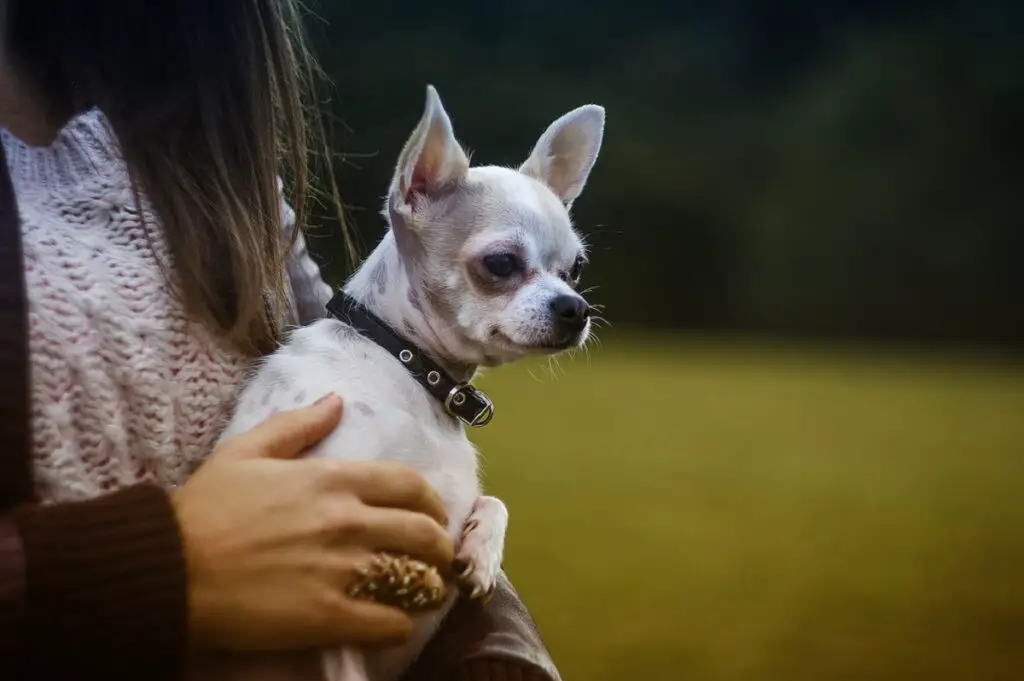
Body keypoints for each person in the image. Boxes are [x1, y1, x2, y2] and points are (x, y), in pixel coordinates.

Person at [0, 1, 561, 680]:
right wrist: (160, 567)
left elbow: (399, 460)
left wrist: (499, 654)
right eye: (501, 265)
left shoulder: (219, 171)